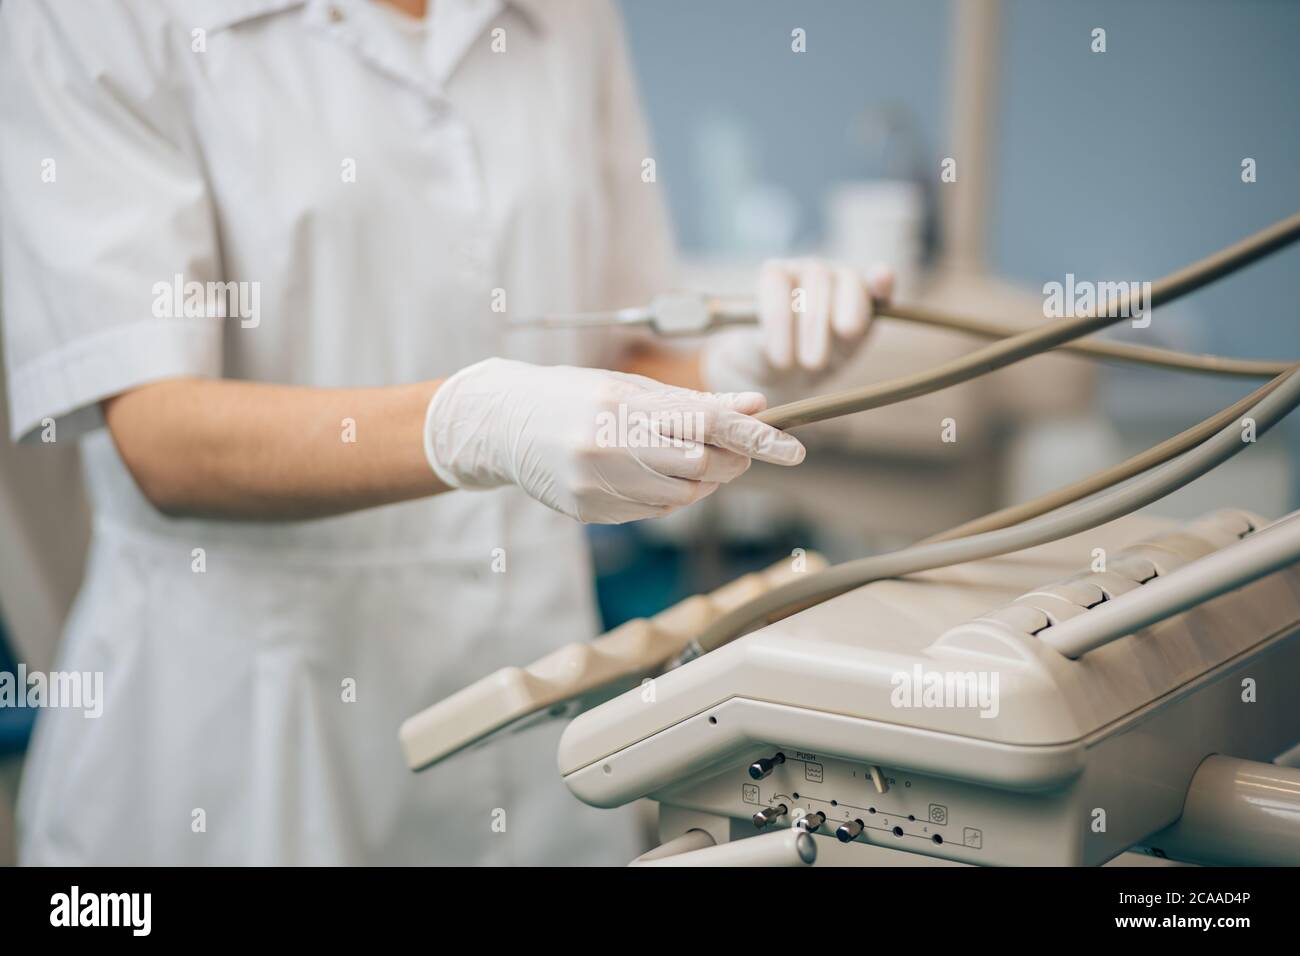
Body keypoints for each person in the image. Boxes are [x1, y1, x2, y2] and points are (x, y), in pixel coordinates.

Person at [0, 0, 890, 864]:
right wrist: (471, 422)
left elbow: (614, 357)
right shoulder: (90, 14)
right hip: (251, 731)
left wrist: (737, 376)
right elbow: (162, 438)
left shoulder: (569, 17)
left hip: (530, 696)